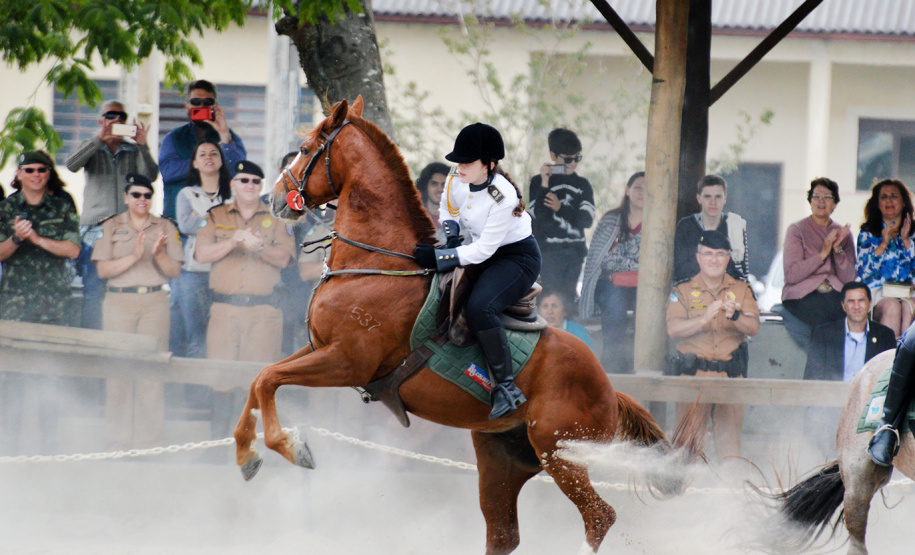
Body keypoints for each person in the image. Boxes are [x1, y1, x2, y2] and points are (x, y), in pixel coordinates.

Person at [413, 122, 541, 420]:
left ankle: (506, 388)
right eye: (458, 161)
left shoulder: (504, 196)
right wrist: (452, 236)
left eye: (467, 162)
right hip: (477, 249)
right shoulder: (456, 178)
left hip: (515, 259)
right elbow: (449, 209)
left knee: (480, 307)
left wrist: (439, 256)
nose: (460, 167)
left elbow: (484, 251)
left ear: (489, 164)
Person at [194, 161, 295, 439]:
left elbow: (285, 259)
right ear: (233, 185)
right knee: (221, 378)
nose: (249, 185)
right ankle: (217, 443)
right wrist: (232, 242)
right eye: (243, 180)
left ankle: (253, 445)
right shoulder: (215, 215)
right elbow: (201, 254)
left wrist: (260, 246)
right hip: (225, 309)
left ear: (261, 186)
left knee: (258, 381)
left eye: (255, 181)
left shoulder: (278, 218)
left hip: (263, 313)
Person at [92, 173, 183, 450]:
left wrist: (156, 255)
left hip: (154, 302)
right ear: (126, 197)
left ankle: (148, 442)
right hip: (119, 302)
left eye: (147, 195)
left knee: (150, 373)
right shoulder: (110, 225)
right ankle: (117, 440)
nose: (142, 200)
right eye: (136, 195)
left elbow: (175, 271)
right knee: (118, 372)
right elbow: (102, 270)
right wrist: (134, 255)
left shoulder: (165, 226)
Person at [0, 151, 81, 455]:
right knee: (12, 379)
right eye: (29, 169)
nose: (36, 174)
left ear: (49, 173)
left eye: (42, 169)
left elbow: (72, 249)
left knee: (51, 375)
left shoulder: (63, 204)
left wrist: (35, 239)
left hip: (53, 304)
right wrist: (17, 240)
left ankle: (48, 446)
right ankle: (8, 447)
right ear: (19, 174)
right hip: (14, 305)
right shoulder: (6, 208)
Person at [667, 231, 759, 462]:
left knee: (730, 450)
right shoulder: (682, 291)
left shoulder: (742, 289)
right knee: (686, 449)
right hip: (693, 379)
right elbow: (673, 330)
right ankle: (682, 496)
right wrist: (703, 319)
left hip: (730, 378)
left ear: (728, 258)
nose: (714, 259)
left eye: (720, 254)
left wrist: (736, 316)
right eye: (708, 254)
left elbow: (754, 328)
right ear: (698, 258)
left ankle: (729, 496)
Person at [66, 101, 159, 329]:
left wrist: (143, 146)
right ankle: (91, 343)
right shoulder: (92, 146)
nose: (116, 120)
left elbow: (151, 176)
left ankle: (120, 342)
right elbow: (71, 165)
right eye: (110, 115)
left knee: (123, 290)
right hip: (95, 230)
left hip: (127, 231)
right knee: (94, 290)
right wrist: (100, 139)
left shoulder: (134, 149)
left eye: (121, 116)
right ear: (101, 121)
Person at [804, 282, 895, 457]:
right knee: (814, 418)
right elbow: (812, 375)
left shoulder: (884, 335)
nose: (856, 306)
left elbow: (888, 378)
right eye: (851, 301)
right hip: (832, 402)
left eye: (861, 301)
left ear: (869, 305)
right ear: (843, 306)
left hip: (868, 405)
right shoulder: (824, 333)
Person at [578, 171, 644, 373]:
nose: (642, 192)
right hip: (610, 283)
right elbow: (601, 259)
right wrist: (639, 264)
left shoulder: (660, 223)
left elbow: (659, 262)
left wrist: (619, 258)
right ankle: (613, 366)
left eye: (648, 189)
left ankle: (642, 365)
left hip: (645, 287)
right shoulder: (610, 221)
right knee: (615, 303)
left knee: (651, 307)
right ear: (627, 190)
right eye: (638, 187)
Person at [171, 141, 232, 358]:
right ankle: (194, 392)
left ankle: (217, 389)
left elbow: (239, 225)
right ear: (195, 163)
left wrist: (203, 219)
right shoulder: (186, 194)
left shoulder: (232, 195)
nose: (209, 157)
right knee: (197, 339)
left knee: (222, 337)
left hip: (226, 273)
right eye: (203, 154)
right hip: (194, 273)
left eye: (214, 154)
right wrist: (219, 223)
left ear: (221, 161)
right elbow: (186, 226)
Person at [781, 178, 856, 345]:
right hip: (803, 294)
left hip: (834, 294)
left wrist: (837, 249)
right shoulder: (797, 230)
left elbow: (849, 278)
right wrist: (822, 254)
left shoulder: (843, 233)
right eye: (816, 197)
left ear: (835, 204)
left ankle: (834, 369)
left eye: (827, 197)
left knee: (847, 315)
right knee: (824, 319)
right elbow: (792, 275)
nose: (821, 202)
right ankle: (821, 370)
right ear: (810, 201)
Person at [159, 79, 246, 220]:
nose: (202, 106)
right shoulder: (174, 137)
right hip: (179, 221)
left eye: (208, 103)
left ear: (215, 106)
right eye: (196, 102)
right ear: (187, 106)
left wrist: (224, 136)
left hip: (220, 221)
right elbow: (167, 172)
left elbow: (238, 171)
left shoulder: (230, 137)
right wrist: (206, 163)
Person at [528, 128, 595, 304]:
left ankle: (569, 331)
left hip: (575, 251)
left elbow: (586, 219)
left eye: (577, 158)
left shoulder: (583, 184)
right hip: (548, 252)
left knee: (568, 301)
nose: (573, 163)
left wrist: (560, 208)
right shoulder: (538, 182)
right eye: (568, 159)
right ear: (553, 155)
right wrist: (544, 183)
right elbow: (539, 216)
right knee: (550, 299)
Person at [855, 179, 915, 338]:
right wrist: (883, 244)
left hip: (910, 292)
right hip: (879, 293)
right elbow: (863, 271)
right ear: (877, 203)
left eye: (894, 196)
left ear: (903, 202)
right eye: (884, 197)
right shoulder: (867, 232)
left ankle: (905, 357)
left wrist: (907, 242)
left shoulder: (913, 232)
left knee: (910, 307)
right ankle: (888, 359)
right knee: (893, 307)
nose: (889, 201)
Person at [673, 174, 749, 282]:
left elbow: (743, 272)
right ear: (699, 198)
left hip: (727, 292)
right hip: (692, 292)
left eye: (718, 197)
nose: (713, 202)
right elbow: (679, 270)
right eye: (707, 196)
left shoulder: (734, 226)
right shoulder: (686, 226)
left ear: (725, 198)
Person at [415, 161, 449, 240]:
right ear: (425, 187)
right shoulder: (414, 216)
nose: (440, 189)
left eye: (444, 184)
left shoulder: (461, 218)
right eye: (434, 183)